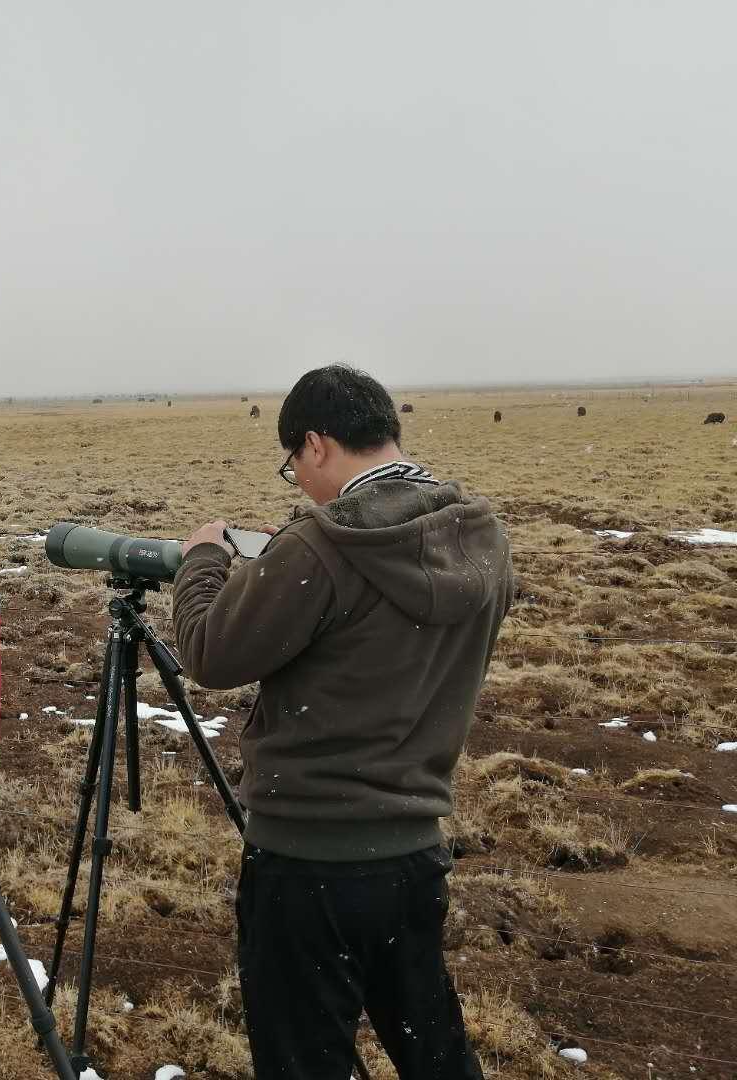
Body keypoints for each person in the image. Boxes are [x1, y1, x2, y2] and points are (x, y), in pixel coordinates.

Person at [172, 364, 511, 1080]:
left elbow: (210, 651)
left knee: (303, 1059)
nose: (302, 484)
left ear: (317, 445)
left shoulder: (322, 549)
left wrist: (204, 561)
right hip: (414, 853)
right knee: (433, 1050)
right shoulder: (481, 539)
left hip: (307, 858)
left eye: (295, 467)